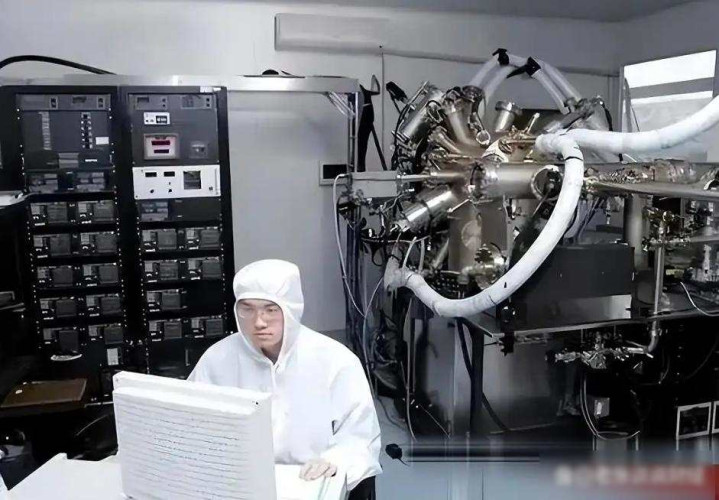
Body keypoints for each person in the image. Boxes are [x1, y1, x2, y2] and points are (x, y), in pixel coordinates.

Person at [189, 259, 381, 497]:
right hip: (239, 483)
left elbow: (360, 434)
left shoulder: (335, 360)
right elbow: (192, 424)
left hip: (310, 482)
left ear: (291, 309)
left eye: (270, 310)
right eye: (247, 309)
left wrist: (335, 460)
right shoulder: (218, 359)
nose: (259, 322)